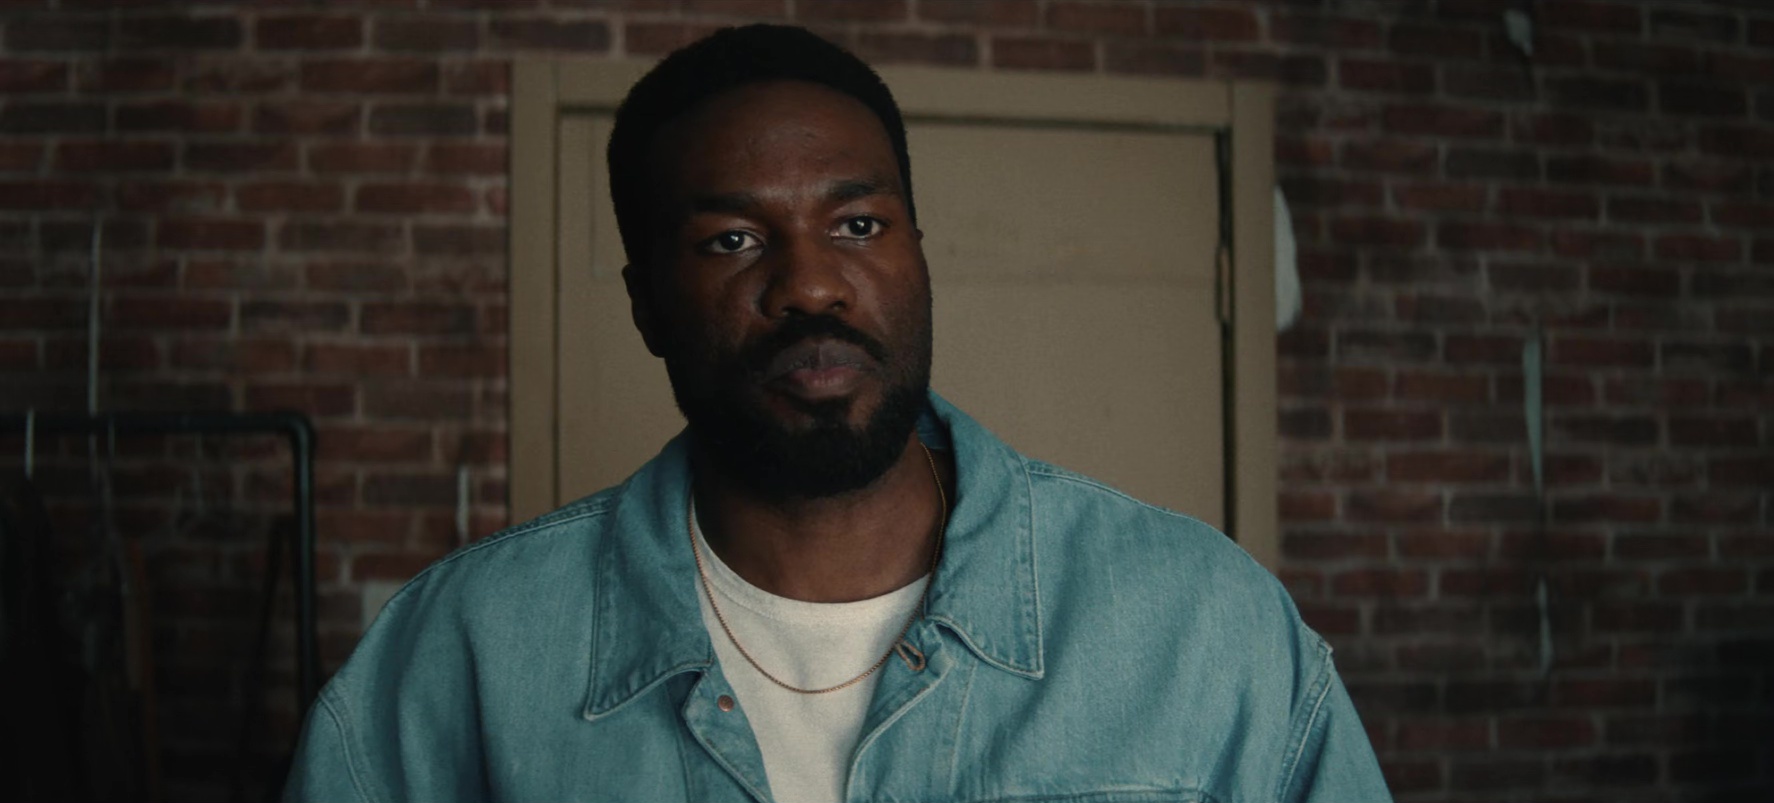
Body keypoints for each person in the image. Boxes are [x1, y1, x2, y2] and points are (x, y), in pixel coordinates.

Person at [283, 24, 1390, 803]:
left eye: (858, 225)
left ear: (919, 257)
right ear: (646, 305)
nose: (810, 284)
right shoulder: (467, 652)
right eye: (732, 239)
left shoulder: (1204, 626)